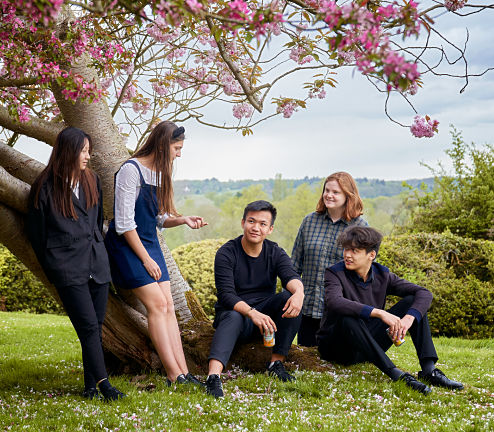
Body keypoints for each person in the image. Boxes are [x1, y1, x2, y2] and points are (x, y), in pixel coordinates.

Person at [104, 121, 206, 386]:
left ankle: (184, 372)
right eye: (177, 148)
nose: (179, 154)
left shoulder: (160, 173)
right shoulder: (130, 170)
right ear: (163, 145)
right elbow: (125, 224)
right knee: (158, 305)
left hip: (150, 242)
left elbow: (158, 218)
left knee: (169, 305)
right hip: (128, 246)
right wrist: (146, 260)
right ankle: (174, 375)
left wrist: (182, 219)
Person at [27, 127, 125, 401]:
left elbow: (96, 223)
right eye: (83, 150)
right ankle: (105, 385)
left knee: (95, 325)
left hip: (97, 264)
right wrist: (55, 267)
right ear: (68, 151)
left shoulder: (92, 179)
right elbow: (37, 236)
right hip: (67, 268)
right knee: (89, 328)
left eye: (88, 150)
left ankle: (90, 387)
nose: (88, 156)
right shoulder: (44, 188)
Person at [317, 226, 464, 394]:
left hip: (367, 346)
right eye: (346, 249)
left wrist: (409, 319)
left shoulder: (382, 274)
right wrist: (379, 312)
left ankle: (429, 370)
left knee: (413, 303)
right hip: (338, 347)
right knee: (347, 316)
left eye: (355, 251)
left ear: (371, 255)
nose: (347, 255)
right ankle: (395, 373)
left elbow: (424, 293)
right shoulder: (335, 273)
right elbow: (335, 302)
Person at [205, 200, 304, 398]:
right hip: (235, 316)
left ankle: (275, 363)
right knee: (233, 316)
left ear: (270, 229)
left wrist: (299, 293)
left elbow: (291, 277)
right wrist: (252, 312)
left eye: (262, 224)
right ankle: (213, 378)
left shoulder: (275, 251)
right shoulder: (226, 252)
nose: (256, 228)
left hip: (264, 321)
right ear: (243, 223)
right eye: (251, 221)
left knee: (289, 297)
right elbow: (226, 294)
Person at [291, 172, 368, 347]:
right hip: (308, 307)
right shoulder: (309, 221)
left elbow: (363, 273)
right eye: (327, 190)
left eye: (336, 192)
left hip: (339, 310)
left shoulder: (360, 227)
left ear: (348, 195)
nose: (329, 195)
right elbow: (294, 264)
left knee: (333, 362)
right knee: (308, 360)